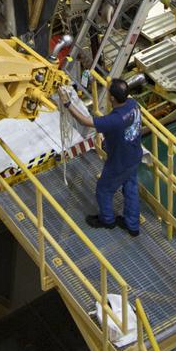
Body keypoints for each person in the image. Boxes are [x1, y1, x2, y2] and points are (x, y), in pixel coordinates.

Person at [63, 77, 143, 237]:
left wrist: (67, 103)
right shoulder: (134, 105)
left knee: (104, 189)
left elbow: (84, 121)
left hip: (119, 162)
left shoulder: (115, 120)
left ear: (112, 98)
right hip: (135, 155)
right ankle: (132, 225)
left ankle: (107, 220)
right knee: (131, 188)